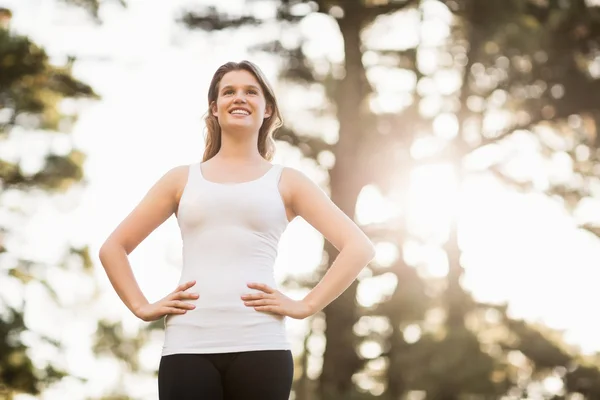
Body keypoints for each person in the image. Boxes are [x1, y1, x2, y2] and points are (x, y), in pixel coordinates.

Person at [98, 60, 376, 400]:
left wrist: (305, 305)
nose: (239, 98)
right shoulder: (181, 179)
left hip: (261, 345)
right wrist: (142, 307)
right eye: (228, 92)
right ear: (214, 108)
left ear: (267, 108)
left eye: (250, 92)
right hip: (187, 346)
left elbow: (358, 247)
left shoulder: (286, 181)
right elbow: (113, 248)